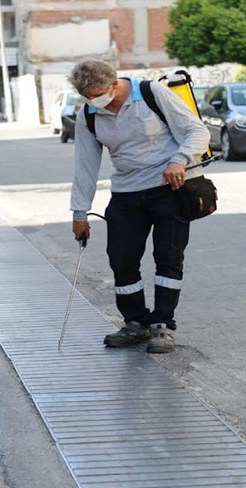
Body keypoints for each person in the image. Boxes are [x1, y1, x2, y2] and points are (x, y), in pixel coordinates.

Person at [68, 60, 210, 354]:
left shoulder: (152, 94)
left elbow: (197, 132)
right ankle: (135, 323)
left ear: (114, 84)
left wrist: (178, 160)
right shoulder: (89, 114)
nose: (93, 101)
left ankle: (162, 326)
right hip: (126, 193)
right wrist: (79, 212)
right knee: (121, 259)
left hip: (169, 189)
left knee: (167, 257)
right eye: (87, 97)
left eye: (96, 94)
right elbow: (85, 164)